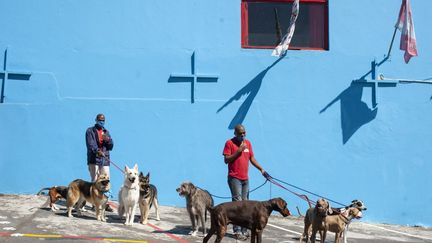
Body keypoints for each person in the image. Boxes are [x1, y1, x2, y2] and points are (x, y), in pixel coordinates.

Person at [222, 124, 268, 240]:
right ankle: (237, 230)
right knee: (237, 204)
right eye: (240, 134)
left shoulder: (248, 143)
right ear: (235, 134)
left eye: (244, 133)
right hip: (234, 178)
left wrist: (261, 169)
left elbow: (252, 158)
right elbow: (226, 160)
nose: (242, 135)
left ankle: (245, 229)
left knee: (246, 204)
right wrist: (238, 151)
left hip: (245, 179)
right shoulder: (229, 143)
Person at [85, 113, 114, 211]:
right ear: (96, 120)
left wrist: (108, 140)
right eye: (100, 120)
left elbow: (111, 147)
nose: (102, 122)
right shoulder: (90, 131)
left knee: (106, 180)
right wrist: (97, 151)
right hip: (94, 159)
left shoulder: (106, 132)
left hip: (105, 160)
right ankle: (94, 203)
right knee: (95, 180)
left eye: (103, 120)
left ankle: (106, 203)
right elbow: (90, 144)